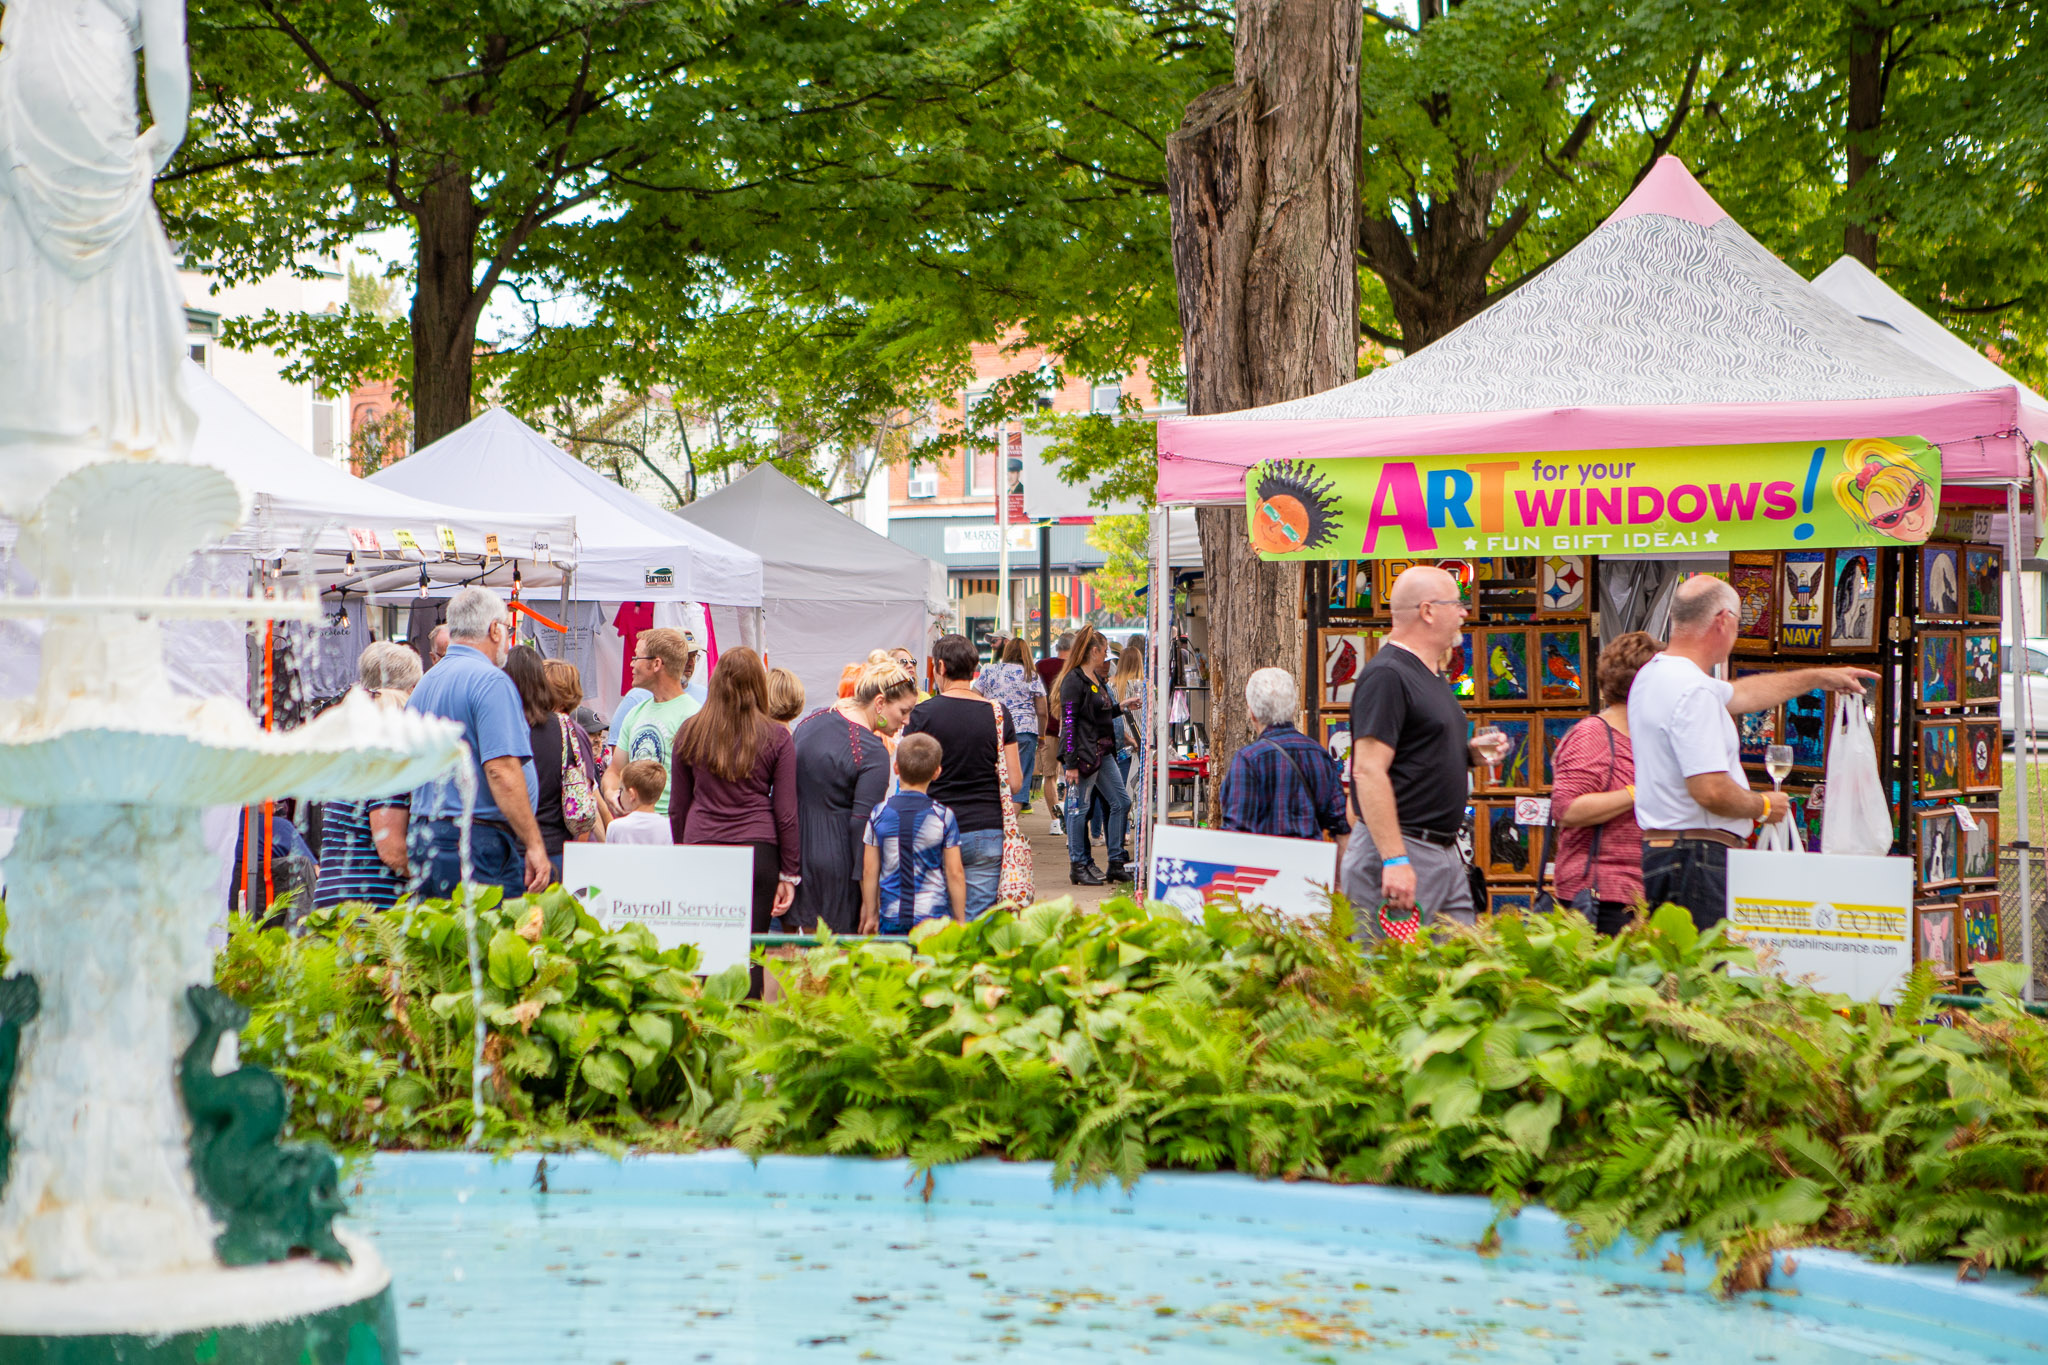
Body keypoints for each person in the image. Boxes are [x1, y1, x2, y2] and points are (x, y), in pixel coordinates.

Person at [1628, 576, 1874, 929]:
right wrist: (1762, 806)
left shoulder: (1653, 676)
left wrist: (1819, 677)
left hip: (1664, 851)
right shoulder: (1693, 689)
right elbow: (1710, 790)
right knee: (1706, 978)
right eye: (1739, 622)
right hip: (1696, 856)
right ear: (1723, 620)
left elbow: (1742, 694)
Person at [1344, 566, 1508, 940]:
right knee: (1390, 983)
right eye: (1458, 604)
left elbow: (1413, 754)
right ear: (1428, 611)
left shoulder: (1429, 674)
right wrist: (1395, 858)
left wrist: (1468, 755)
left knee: (1458, 974)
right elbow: (1368, 771)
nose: (1466, 612)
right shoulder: (1388, 675)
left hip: (1443, 855)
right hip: (1403, 850)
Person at [668, 646, 799, 996]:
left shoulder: (689, 732)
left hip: (702, 846)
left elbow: (678, 807)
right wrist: (789, 872)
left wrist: (683, 851)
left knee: (704, 949)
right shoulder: (776, 736)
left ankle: (707, 1033)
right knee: (750, 952)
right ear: (759, 684)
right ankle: (745, 1035)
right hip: (758, 852)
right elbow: (786, 812)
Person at [406, 587, 549, 900]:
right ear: (495, 629)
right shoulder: (491, 680)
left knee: (437, 946)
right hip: (475, 841)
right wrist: (535, 844)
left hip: (425, 835)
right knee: (486, 943)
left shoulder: (424, 684)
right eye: (508, 629)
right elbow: (502, 772)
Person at [789, 657, 921, 935]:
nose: (906, 721)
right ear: (881, 702)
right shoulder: (871, 751)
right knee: (838, 966)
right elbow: (863, 830)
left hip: (798, 861)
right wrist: (870, 902)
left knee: (801, 961)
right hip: (841, 870)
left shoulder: (810, 721)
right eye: (904, 711)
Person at [1548, 631, 1660, 934]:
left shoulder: (1648, 738)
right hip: (1601, 899)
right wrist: (1637, 792)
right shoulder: (1594, 735)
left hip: (1641, 895)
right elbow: (1567, 807)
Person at [902, 634, 1021, 916]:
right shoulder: (998, 713)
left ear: (941, 667)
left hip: (934, 827)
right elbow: (1015, 783)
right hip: (987, 830)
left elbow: (906, 779)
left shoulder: (921, 715)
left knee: (937, 925)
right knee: (979, 926)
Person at [313, 642, 421, 910]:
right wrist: (435, 879)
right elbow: (392, 850)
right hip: (371, 909)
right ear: (411, 691)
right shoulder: (388, 751)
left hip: (335, 901)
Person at [1219, 668, 1349, 854]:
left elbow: (1235, 834)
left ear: (1252, 713)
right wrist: (1336, 881)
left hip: (1263, 873)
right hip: (1310, 875)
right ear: (1293, 708)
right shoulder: (1318, 755)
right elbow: (1341, 827)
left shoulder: (1248, 760)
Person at [860, 733, 966, 935]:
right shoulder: (943, 816)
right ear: (937, 772)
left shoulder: (878, 813)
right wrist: (960, 919)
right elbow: (955, 872)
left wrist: (872, 914)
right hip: (933, 918)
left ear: (896, 768)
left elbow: (869, 870)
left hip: (891, 914)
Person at [1055, 625, 1131, 886]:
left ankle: (1116, 861)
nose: (1107, 655)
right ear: (1094, 651)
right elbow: (1069, 721)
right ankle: (1078, 864)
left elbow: (1099, 715)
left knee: (1121, 802)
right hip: (1084, 755)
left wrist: (1121, 707)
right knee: (1078, 809)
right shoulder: (1074, 681)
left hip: (1103, 751)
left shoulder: (1096, 680)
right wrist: (1070, 762)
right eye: (1105, 650)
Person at [603, 628, 698, 817]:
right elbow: (614, 771)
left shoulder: (694, 716)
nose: (631, 664)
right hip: (634, 830)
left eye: (636, 658)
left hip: (673, 832)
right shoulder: (635, 713)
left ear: (656, 664)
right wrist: (611, 792)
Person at [972, 636, 1047, 812]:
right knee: (1018, 786)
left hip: (994, 729)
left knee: (994, 781)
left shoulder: (990, 671)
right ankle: (1010, 830)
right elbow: (1042, 711)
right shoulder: (1031, 675)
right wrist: (1041, 736)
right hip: (1024, 731)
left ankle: (994, 825)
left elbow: (973, 695)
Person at [605, 761, 673, 845]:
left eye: (621, 790)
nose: (619, 795)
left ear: (632, 794)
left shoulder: (615, 827)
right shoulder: (669, 827)